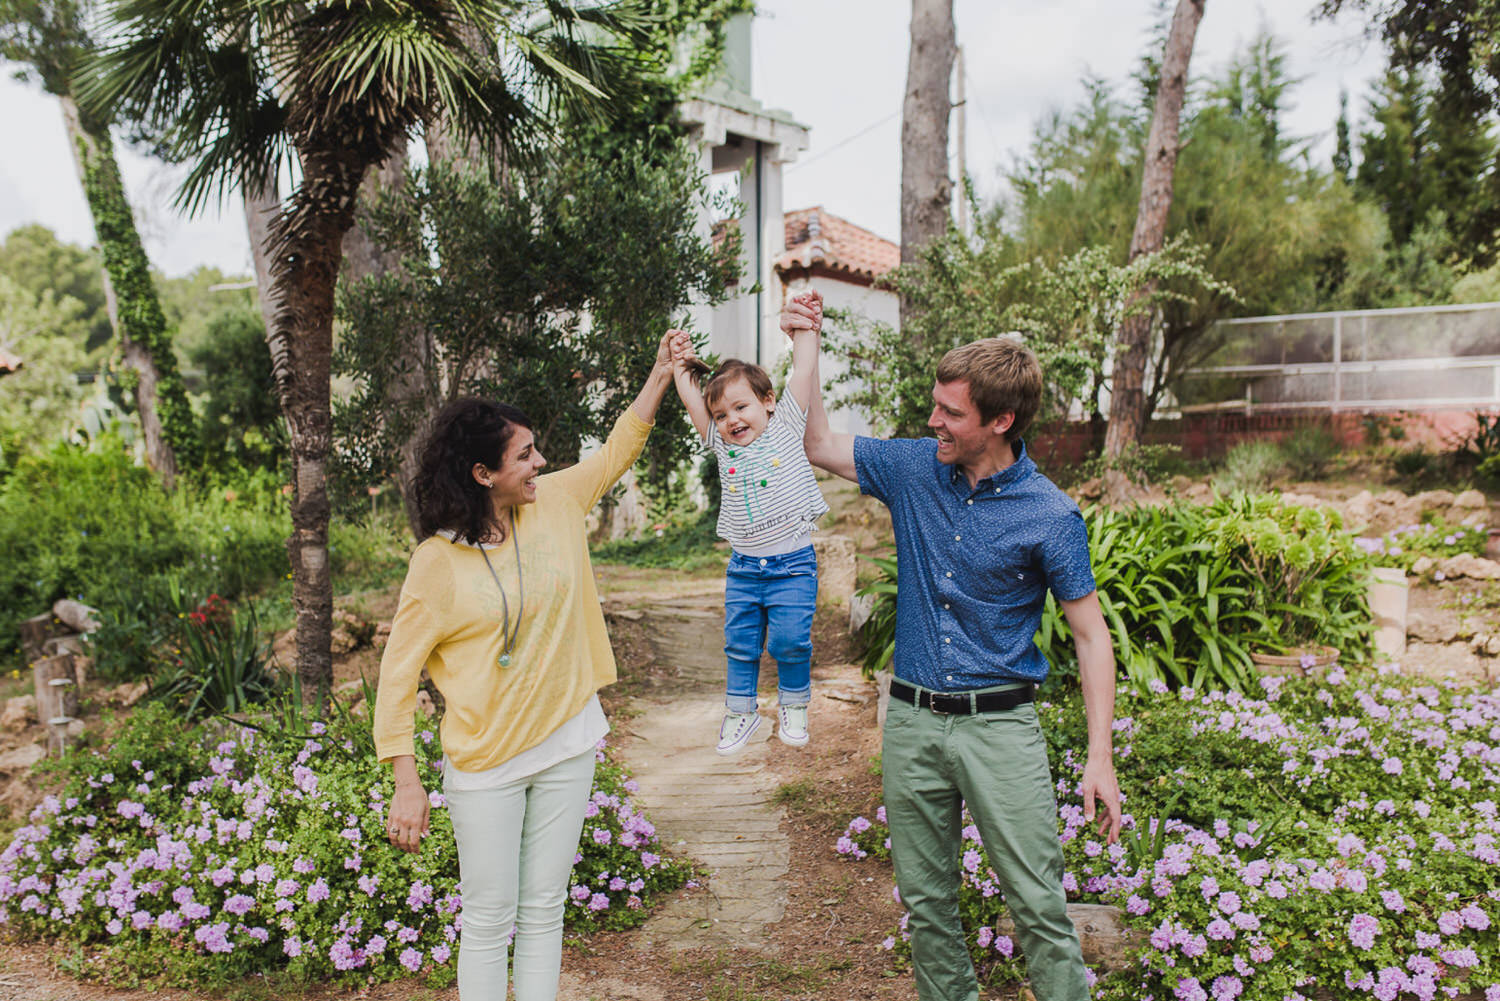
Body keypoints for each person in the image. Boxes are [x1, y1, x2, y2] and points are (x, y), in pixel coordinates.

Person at [784, 294, 1122, 1001]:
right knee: (928, 907)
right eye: (935, 405)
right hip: (910, 719)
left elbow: (1091, 636)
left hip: (1000, 726)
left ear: (1000, 420)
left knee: (1037, 906)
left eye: (951, 412)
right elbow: (816, 444)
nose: (933, 419)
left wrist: (1100, 758)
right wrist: (806, 342)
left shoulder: (1052, 515)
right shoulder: (913, 467)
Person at [372, 333, 676, 1001]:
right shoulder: (438, 562)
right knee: (487, 918)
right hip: (484, 761)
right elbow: (397, 676)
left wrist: (659, 373)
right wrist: (405, 779)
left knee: (544, 908)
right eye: (525, 455)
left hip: (568, 737)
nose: (541, 462)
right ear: (483, 474)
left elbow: (619, 449)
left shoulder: (557, 503)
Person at [667, 314, 829, 754]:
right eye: (721, 414)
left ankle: (794, 705)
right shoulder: (720, 444)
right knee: (739, 644)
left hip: (793, 565)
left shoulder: (786, 427)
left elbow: (804, 369)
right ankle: (741, 711)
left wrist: (808, 329)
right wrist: (680, 364)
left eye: (741, 407)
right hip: (743, 567)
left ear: (768, 402)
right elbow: (690, 400)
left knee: (790, 640)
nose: (731, 420)